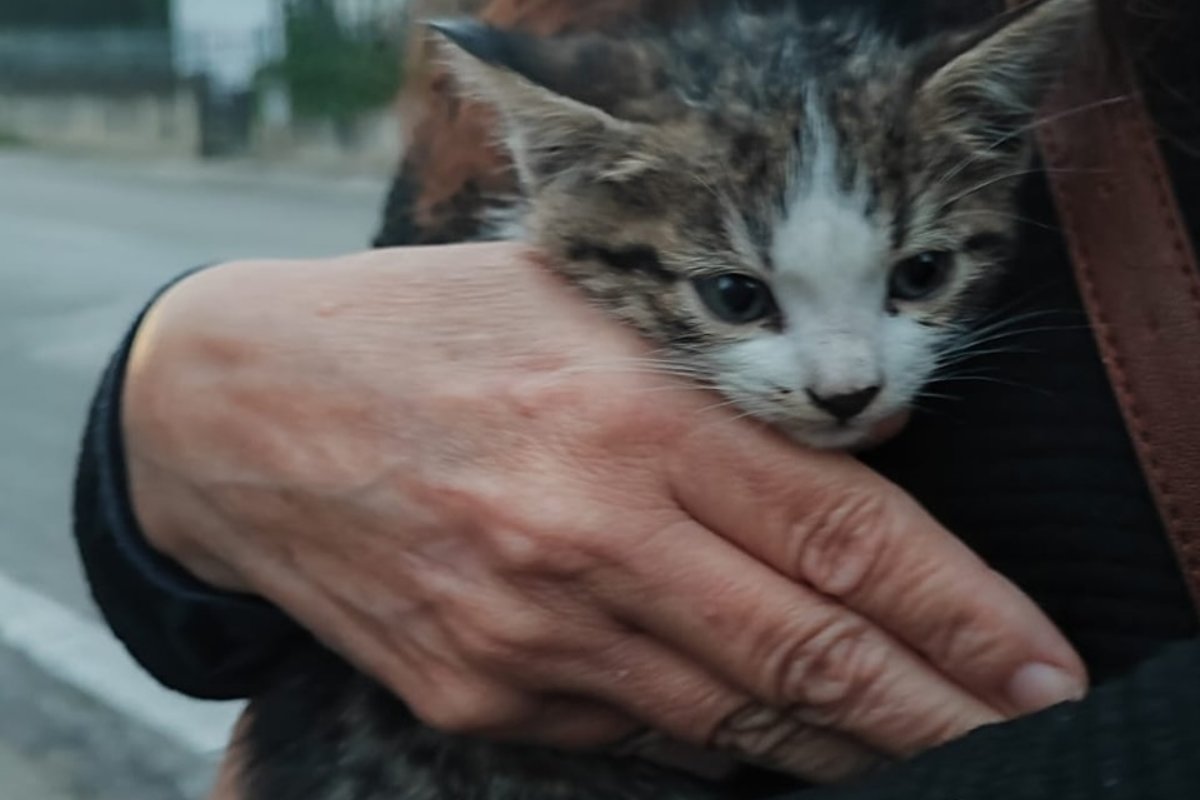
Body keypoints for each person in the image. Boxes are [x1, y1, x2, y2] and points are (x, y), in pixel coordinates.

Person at [73, 0, 1200, 798]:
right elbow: (262, 596)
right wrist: (160, 412)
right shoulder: (576, 43)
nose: (846, 377)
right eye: (736, 295)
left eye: (918, 276)